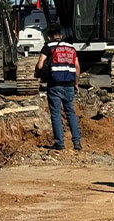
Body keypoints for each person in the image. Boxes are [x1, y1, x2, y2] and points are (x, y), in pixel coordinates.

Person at [35, 23, 82, 151]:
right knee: (71, 113)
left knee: (55, 114)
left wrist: (38, 75)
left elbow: (40, 65)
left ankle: (59, 143)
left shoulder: (48, 47)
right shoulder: (71, 48)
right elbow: (77, 66)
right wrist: (76, 83)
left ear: (49, 36)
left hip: (54, 85)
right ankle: (77, 143)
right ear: (60, 35)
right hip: (69, 85)